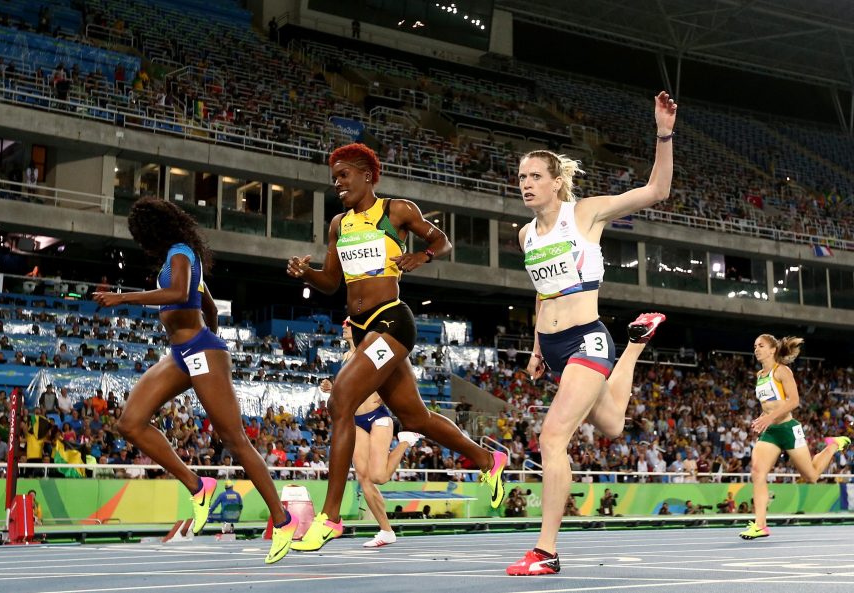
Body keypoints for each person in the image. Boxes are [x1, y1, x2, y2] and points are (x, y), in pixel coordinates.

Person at [287, 143, 507, 551]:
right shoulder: (339, 224)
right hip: (361, 327)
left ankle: (330, 518)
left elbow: (442, 241)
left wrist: (421, 256)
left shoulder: (396, 211)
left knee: (340, 401)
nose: (337, 184)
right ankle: (487, 460)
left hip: (391, 321)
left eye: (344, 176)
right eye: (334, 178)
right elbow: (332, 282)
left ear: (366, 176)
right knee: (417, 418)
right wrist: (307, 274)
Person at [507, 91, 677, 576]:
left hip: (586, 338)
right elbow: (541, 291)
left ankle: (546, 551)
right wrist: (538, 345)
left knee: (552, 437)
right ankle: (637, 344)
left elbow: (656, 191)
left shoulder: (585, 214)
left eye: (535, 175)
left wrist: (663, 132)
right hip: (556, 346)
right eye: (521, 176)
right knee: (611, 425)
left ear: (557, 182)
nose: (526, 183)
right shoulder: (526, 235)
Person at [93, 198, 297, 564]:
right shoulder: (177, 258)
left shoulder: (181, 253)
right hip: (183, 355)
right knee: (130, 422)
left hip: (199, 352)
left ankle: (282, 521)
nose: (141, 243)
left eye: (141, 236)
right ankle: (198, 485)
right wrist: (207, 343)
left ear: (152, 232)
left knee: (234, 439)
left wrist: (123, 298)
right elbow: (208, 305)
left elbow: (180, 294)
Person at [318, 321, 421, 548]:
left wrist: (389, 394)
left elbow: (401, 370)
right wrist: (331, 388)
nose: (343, 326)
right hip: (355, 421)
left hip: (378, 417)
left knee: (379, 477)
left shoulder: (370, 351)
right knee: (364, 479)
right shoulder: (345, 358)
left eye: (347, 323)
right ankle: (386, 531)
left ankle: (406, 440)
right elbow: (350, 390)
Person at [739, 335, 850, 540]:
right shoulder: (759, 374)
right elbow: (770, 404)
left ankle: (833, 445)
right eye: (754, 346)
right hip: (771, 431)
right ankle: (760, 525)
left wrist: (769, 418)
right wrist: (762, 418)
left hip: (788, 429)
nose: (756, 349)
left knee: (812, 476)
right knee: (757, 472)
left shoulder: (781, 371)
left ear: (772, 350)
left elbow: (793, 401)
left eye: (761, 346)